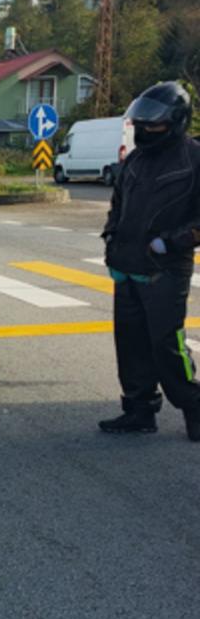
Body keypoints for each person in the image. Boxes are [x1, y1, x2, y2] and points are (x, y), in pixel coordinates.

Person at [98, 82, 200, 441]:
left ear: (175, 123)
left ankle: (194, 405)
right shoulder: (135, 160)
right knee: (130, 342)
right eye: (140, 124)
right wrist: (111, 239)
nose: (144, 131)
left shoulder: (194, 158)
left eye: (152, 125)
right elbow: (118, 205)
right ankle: (139, 410)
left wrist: (171, 242)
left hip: (166, 267)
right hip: (126, 264)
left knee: (166, 343)